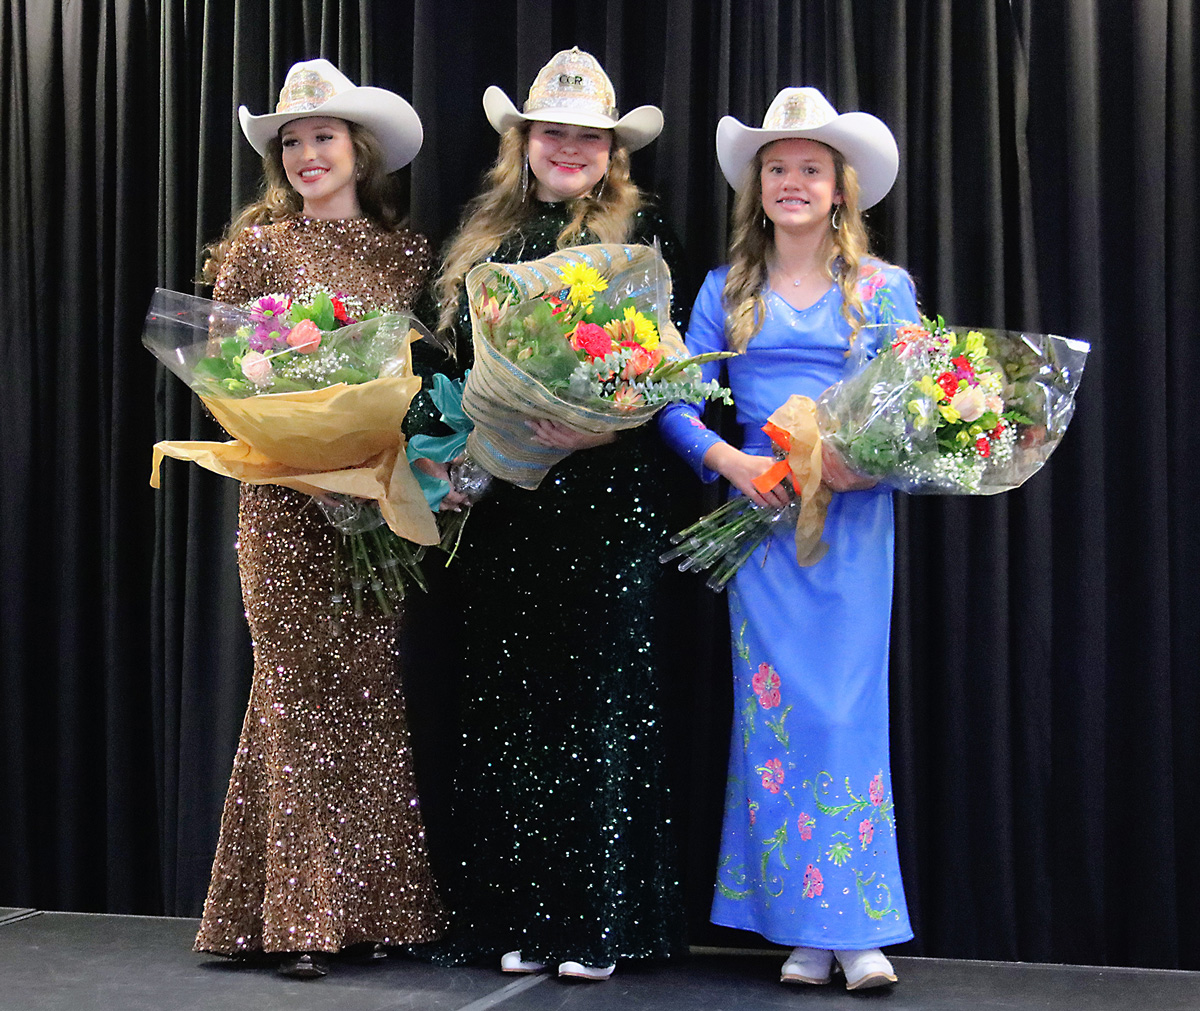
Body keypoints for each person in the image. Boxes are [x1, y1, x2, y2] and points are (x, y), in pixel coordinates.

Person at [418, 48, 684, 981]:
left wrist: (594, 421)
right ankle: (517, 913)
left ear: (611, 152)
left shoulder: (642, 231)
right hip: (503, 508)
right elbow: (444, 371)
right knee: (509, 709)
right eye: (552, 132)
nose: (568, 147)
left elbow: (661, 368)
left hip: (603, 504)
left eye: (587, 136)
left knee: (594, 707)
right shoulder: (481, 238)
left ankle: (593, 922)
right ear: (523, 144)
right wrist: (441, 450)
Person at [192, 58, 446, 979]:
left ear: (358, 150)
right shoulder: (253, 250)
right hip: (281, 503)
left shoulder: (407, 254)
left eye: (321, 138)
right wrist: (295, 436)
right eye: (291, 141)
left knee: (366, 692)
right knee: (294, 693)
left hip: (370, 504)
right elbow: (223, 378)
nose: (305, 154)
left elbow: (419, 384)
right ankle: (302, 917)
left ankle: (373, 906)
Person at [658, 87, 916, 990]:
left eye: (810, 167)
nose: (793, 181)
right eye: (778, 168)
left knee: (846, 716)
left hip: (848, 529)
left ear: (841, 187)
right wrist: (732, 463)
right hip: (761, 531)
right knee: (775, 721)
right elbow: (673, 399)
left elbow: (917, 409)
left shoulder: (884, 290)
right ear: (757, 187)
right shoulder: (726, 290)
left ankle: (858, 927)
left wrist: (855, 461)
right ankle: (804, 928)